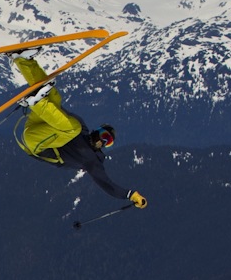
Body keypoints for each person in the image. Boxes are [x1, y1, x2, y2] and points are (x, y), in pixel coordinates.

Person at [10, 52, 147, 208]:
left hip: (36, 144)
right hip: (38, 128)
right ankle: (23, 60)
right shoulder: (81, 128)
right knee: (54, 98)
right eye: (104, 135)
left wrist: (129, 195)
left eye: (107, 142)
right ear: (97, 131)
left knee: (72, 127)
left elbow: (106, 183)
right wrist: (46, 101)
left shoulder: (92, 160)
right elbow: (56, 112)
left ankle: (36, 102)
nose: (102, 141)